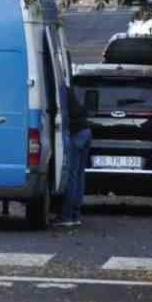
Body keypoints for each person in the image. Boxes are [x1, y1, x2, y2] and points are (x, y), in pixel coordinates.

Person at [57, 83, 92, 227]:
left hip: (76, 133)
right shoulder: (64, 87)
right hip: (85, 131)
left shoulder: (56, 90)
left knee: (71, 175)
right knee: (79, 175)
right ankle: (75, 214)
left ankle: (66, 216)